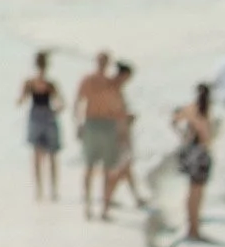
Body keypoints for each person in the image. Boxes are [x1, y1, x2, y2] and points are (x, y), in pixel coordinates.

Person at [74, 52, 125, 220]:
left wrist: (122, 131)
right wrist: (78, 123)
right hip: (94, 123)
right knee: (91, 166)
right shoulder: (91, 81)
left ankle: (104, 207)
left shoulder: (110, 84)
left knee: (105, 168)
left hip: (104, 124)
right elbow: (78, 102)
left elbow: (118, 109)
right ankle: (90, 206)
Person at [19, 51, 63, 201]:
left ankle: (47, 190)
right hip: (41, 116)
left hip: (40, 116)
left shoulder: (44, 84)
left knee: (45, 155)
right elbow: (60, 104)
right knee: (44, 156)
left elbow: (60, 103)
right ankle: (44, 190)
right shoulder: (35, 83)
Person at [173, 85, 215, 242]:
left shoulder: (190, 109)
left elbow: (174, 119)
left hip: (190, 151)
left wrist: (183, 137)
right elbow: (207, 137)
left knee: (193, 192)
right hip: (200, 152)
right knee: (197, 193)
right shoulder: (202, 112)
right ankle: (193, 229)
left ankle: (193, 227)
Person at [106, 62, 145, 211]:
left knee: (125, 168)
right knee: (119, 169)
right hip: (118, 135)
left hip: (122, 133)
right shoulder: (113, 90)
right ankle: (108, 199)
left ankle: (133, 197)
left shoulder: (117, 90)